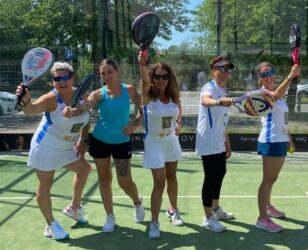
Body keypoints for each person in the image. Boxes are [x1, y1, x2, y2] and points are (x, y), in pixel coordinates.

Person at [65, 59, 145, 233]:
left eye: (109, 72)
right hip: (100, 140)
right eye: (103, 73)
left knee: (124, 181)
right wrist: (73, 112)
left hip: (122, 142)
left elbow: (143, 111)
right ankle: (110, 216)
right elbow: (84, 108)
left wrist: (135, 126)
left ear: (117, 71)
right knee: (104, 180)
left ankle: (137, 202)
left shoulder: (129, 90)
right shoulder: (98, 94)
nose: (106, 76)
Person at [15, 62, 92, 240]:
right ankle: (50, 225)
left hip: (66, 147)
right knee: (46, 184)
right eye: (57, 78)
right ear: (53, 82)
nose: (62, 81)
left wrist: (82, 139)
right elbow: (31, 110)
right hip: (46, 147)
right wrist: (25, 100)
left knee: (85, 169)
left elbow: (86, 119)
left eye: (65, 77)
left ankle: (74, 208)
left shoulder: (83, 96)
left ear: (73, 78)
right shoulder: (50, 99)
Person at [138, 51, 184, 239]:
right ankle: (154, 221)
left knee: (172, 177)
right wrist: (142, 64)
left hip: (171, 142)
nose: (161, 80)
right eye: (157, 76)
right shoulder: (148, 97)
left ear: (169, 78)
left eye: (164, 76)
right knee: (159, 182)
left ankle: (173, 209)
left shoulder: (175, 98)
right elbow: (144, 81)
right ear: (152, 78)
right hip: (154, 144)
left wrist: (179, 125)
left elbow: (179, 117)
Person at [254, 62, 300, 233]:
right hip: (270, 141)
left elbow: (282, 119)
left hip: (280, 140)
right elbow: (274, 96)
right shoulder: (263, 93)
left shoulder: (279, 93)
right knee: (267, 179)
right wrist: (290, 76)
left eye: (270, 72)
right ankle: (262, 219)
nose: (268, 76)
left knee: (272, 179)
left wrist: (289, 138)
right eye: (264, 74)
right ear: (259, 78)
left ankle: (267, 206)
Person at [195, 55, 236, 233]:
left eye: (228, 69)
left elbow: (222, 121)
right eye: (222, 68)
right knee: (211, 177)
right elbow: (206, 100)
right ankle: (207, 218)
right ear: (214, 71)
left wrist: (227, 141)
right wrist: (218, 101)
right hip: (207, 140)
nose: (225, 72)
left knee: (221, 173)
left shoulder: (223, 91)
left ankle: (216, 209)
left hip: (219, 140)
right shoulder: (209, 87)